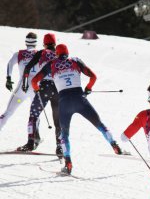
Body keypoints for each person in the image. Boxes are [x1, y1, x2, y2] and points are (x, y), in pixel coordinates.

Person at [30, 44, 122, 174]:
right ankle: (114, 144)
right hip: (80, 99)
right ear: (67, 53)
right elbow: (93, 76)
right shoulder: (76, 61)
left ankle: (68, 163)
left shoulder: (51, 64)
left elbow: (34, 81)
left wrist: (37, 90)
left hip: (64, 102)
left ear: (57, 54)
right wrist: (88, 88)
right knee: (99, 124)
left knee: (64, 134)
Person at [17, 33, 61, 156]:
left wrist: (25, 83)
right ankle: (60, 147)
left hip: (44, 88)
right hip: (58, 89)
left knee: (33, 114)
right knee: (58, 120)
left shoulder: (41, 52)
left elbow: (27, 69)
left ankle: (31, 142)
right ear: (55, 43)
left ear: (44, 43)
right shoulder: (59, 53)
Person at [0, 32, 39, 132]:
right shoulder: (40, 54)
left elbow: (9, 64)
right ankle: (34, 136)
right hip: (35, 88)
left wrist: (8, 78)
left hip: (22, 87)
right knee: (35, 114)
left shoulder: (19, 54)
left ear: (26, 42)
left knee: (8, 112)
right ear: (35, 43)